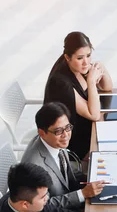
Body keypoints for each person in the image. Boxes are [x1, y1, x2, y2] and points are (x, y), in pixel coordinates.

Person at [22, 102, 107, 212]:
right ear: (42, 133)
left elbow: (67, 173)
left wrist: (91, 177)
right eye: (58, 131)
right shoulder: (34, 166)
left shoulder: (54, 142)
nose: (66, 135)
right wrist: (83, 194)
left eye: (67, 127)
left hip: (69, 199)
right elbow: (43, 207)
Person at [45, 31, 113, 160]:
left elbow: (107, 87)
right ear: (67, 57)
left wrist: (101, 67)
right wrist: (92, 82)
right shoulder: (61, 83)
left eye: (88, 55)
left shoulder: (77, 67)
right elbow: (94, 115)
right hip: (69, 140)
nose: (86, 62)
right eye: (80, 58)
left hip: (85, 128)